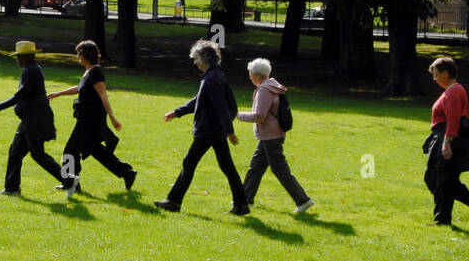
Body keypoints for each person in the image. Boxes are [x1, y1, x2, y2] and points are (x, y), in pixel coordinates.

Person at [155, 40, 249, 214]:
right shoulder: (214, 75)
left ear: (204, 59)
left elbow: (220, 106)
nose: (194, 63)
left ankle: (173, 201)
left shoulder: (212, 79)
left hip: (208, 129)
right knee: (227, 166)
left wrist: (230, 131)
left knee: (189, 163)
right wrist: (177, 112)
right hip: (215, 129)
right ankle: (241, 205)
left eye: (196, 58)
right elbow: (199, 100)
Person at [47, 40, 136, 195]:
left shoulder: (96, 72)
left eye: (79, 54)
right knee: (95, 150)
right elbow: (79, 88)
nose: (77, 57)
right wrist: (58, 93)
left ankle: (69, 182)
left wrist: (113, 118)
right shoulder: (89, 71)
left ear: (87, 55)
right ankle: (126, 172)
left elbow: (103, 96)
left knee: (70, 149)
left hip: (90, 120)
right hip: (85, 118)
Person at [0, 41, 69, 197]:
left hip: (33, 120)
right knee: (15, 152)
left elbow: (20, 95)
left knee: (38, 155)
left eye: (19, 57)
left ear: (27, 57)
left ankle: (70, 181)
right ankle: (11, 188)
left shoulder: (32, 71)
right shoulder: (32, 70)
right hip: (28, 120)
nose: (17, 60)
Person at [236, 58, 314, 214]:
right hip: (270, 134)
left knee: (280, 170)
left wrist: (238, 115)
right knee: (255, 168)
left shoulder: (265, 90)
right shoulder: (272, 86)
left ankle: (303, 200)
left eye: (251, 73)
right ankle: (244, 200)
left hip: (270, 136)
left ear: (258, 75)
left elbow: (259, 116)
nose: (249, 76)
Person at [424, 56, 469, 227]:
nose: (434, 79)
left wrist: (447, 142)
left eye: (436, 75)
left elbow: (453, 118)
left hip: (448, 137)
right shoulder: (453, 90)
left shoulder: (453, 91)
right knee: (441, 179)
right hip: (444, 136)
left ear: (446, 73)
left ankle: (442, 220)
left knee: (440, 179)